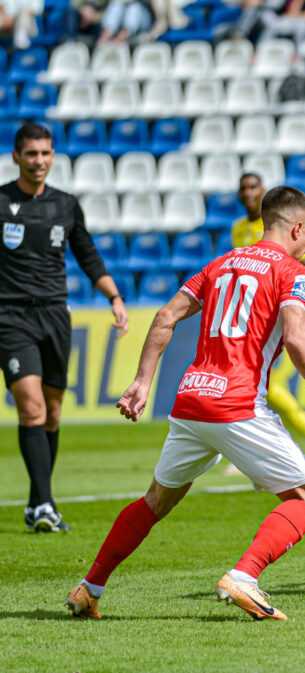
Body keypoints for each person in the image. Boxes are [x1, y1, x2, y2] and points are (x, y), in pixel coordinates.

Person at [65, 186, 305, 621]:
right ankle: (245, 575)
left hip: (191, 401)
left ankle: (90, 587)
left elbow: (165, 315)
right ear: (297, 228)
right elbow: (296, 337)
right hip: (238, 405)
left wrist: (143, 382)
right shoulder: (294, 272)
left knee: (155, 501)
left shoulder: (219, 263)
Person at [0, 123, 129, 533]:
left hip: (55, 314)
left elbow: (87, 255)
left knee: (53, 412)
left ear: (53, 156)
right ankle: (45, 505)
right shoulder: (1, 202)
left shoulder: (66, 205)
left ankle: (38, 499)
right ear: (17, 157)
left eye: (46, 153)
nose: (39, 161)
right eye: (32, 154)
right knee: (32, 405)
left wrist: (114, 298)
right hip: (10, 316)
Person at [232, 173, 305, 470]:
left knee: (263, 382)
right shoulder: (240, 229)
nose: (248, 193)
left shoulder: (286, 227)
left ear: (263, 191)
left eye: (254, 187)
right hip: (249, 315)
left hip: (280, 315)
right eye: (243, 188)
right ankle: (250, 450)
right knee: (256, 381)